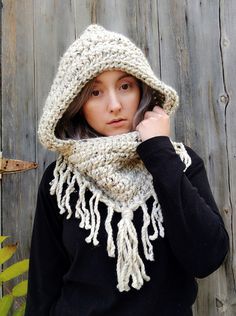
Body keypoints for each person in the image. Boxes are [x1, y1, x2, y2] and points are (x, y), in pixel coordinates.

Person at [25, 24, 229, 316]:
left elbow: (207, 258)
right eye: (94, 91)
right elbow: (42, 289)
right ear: (76, 103)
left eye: (125, 86)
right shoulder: (61, 181)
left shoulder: (180, 163)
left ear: (142, 90)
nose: (114, 105)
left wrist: (159, 151)